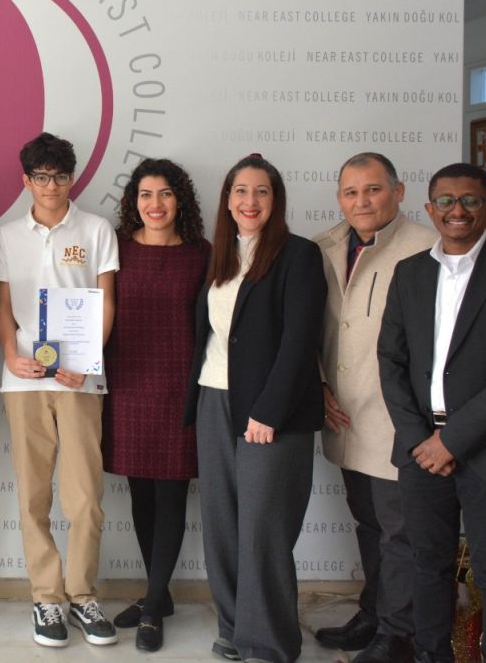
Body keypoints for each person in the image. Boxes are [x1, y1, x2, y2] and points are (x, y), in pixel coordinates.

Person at [379, 163, 486, 663]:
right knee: (428, 567)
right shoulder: (410, 273)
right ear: (430, 208)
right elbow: (391, 361)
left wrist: (451, 441)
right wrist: (419, 438)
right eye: (446, 201)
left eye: (470, 200)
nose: (457, 210)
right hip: (420, 450)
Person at [185, 153, 326, 663]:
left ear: (276, 200)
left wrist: (269, 411)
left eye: (261, 191)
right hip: (213, 398)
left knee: (264, 529)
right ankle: (233, 628)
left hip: (269, 411)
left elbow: (299, 342)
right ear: (227, 200)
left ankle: (267, 644)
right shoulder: (219, 257)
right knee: (222, 523)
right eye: (241, 191)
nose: (250, 201)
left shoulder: (299, 254)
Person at [0, 132, 119, 648]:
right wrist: (9, 354)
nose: (51, 186)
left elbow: (107, 302)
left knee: (85, 495)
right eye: (41, 177)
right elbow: (4, 305)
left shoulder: (96, 229)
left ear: (73, 178)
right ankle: (46, 598)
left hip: (80, 379)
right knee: (32, 494)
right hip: (23, 378)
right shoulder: (7, 236)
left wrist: (87, 361)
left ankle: (82, 594)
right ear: (26, 180)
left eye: (60, 176)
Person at [311, 152, 435, 663]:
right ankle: (374, 612)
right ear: (339, 198)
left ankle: (398, 633)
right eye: (351, 192)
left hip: (397, 420)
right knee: (368, 523)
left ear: (399, 192)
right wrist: (317, 385)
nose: (361, 201)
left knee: (399, 530)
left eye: (373, 189)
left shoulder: (426, 248)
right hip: (343, 413)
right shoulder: (323, 247)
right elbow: (309, 327)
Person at [103, 158, 209, 653]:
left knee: (170, 497)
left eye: (165, 193)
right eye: (146, 194)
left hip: (180, 388)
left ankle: (152, 606)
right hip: (126, 385)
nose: (156, 204)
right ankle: (157, 595)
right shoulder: (117, 249)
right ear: (133, 202)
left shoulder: (202, 254)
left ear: (180, 199)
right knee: (141, 494)